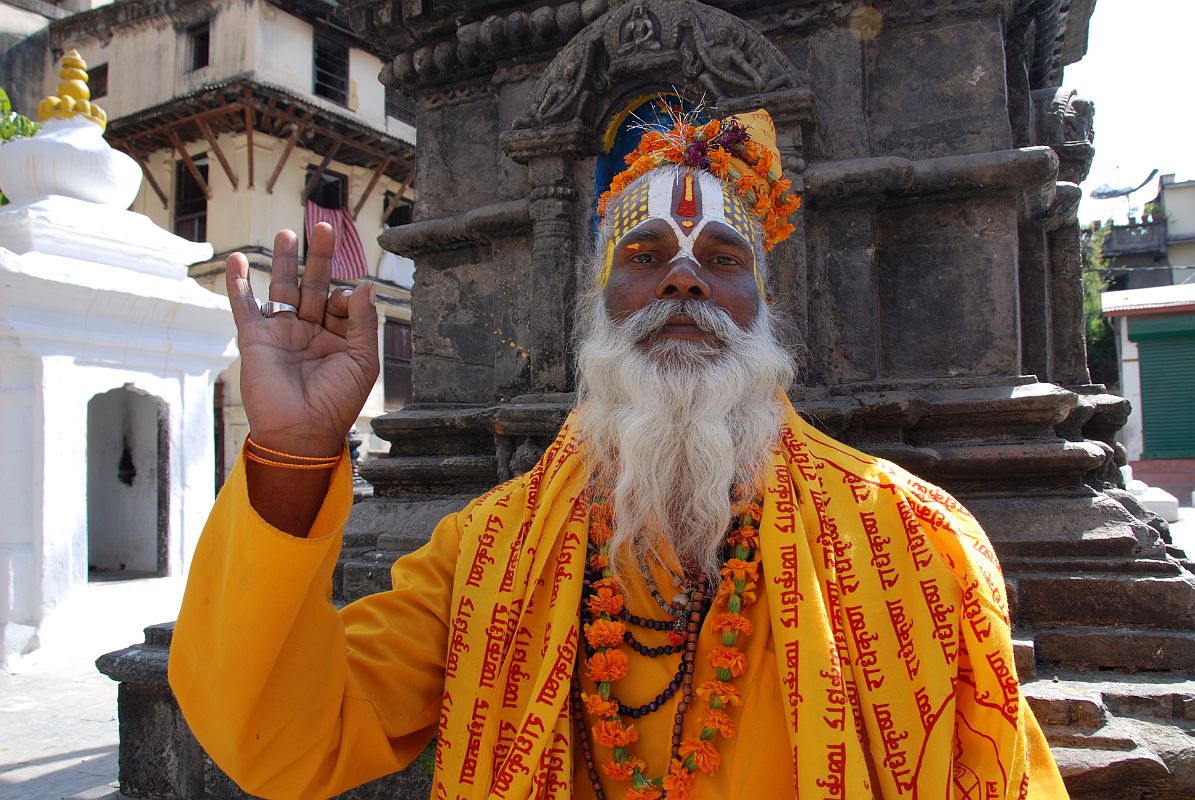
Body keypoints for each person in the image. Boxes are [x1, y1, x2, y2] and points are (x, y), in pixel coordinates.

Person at [169, 107, 1068, 800]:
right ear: (599, 307)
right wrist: (291, 459)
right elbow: (282, 740)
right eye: (644, 255)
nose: (684, 277)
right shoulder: (487, 553)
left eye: (722, 257)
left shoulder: (913, 539)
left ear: (764, 305)